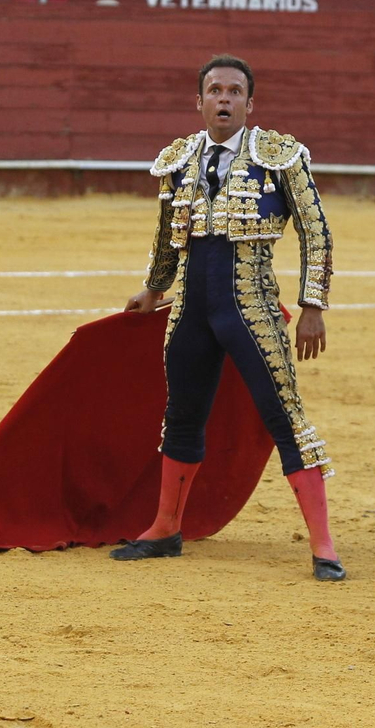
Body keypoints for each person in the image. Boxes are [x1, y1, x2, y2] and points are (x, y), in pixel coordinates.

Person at [114, 55, 341, 581]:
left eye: (234, 92)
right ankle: (166, 528)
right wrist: (153, 289)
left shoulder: (280, 157)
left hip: (252, 306)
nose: (223, 99)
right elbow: (167, 235)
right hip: (191, 309)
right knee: (183, 417)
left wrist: (313, 307)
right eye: (214, 90)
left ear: (249, 103)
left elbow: (316, 232)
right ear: (198, 102)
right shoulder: (179, 160)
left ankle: (324, 545)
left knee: (284, 416)